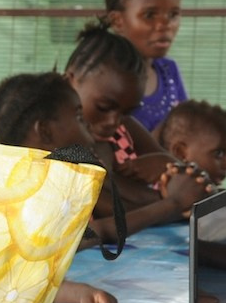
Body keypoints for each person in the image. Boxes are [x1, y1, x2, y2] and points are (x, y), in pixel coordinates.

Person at [0, 71, 119, 303]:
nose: (89, 129)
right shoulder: (21, 198)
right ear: (44, 130)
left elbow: (27, 279)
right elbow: (15, 282)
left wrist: (81, 294)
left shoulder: (45, 189)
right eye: (79, 118)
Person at [63, 23, 210, 242]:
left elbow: (186, 183)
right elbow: (115, 213)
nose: (113, 122)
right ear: (70, 81)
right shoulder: (56, 142)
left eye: (125, 112)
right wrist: (171, 202)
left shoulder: (126, 127)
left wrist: (167, 164)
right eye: (103, 107)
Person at [103, 0, 187, 138]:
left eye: (173, 15)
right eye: (149, 15)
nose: (165, 25)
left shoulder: (168, 70)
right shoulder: (101, 76)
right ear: (117, 21)